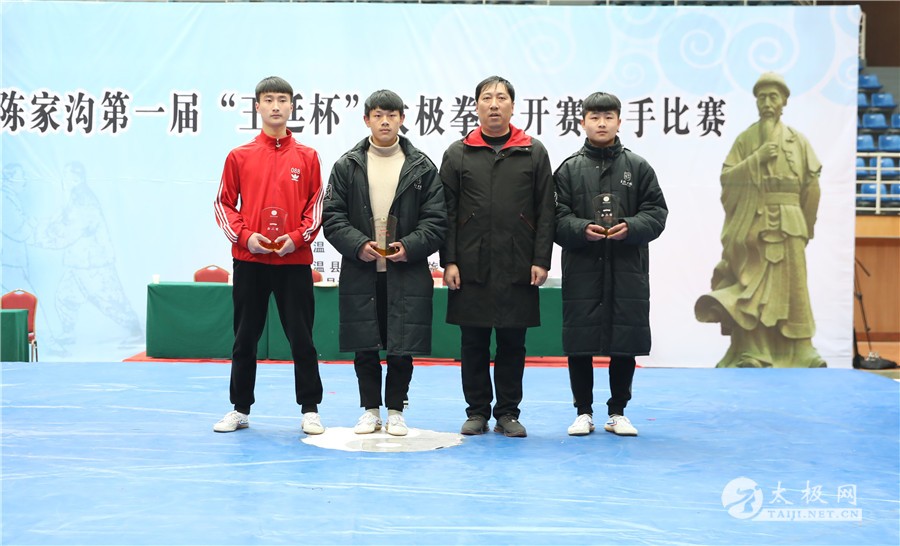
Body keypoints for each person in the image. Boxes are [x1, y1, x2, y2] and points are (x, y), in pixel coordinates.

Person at [323, 90, 447, 436]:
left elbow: (437, 220)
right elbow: (332, 217)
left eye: (392, 115)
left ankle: (395, 410)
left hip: (406, 270)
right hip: (362, 269)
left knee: (401, 345)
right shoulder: (347, 165)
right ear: (366, 120)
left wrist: (408, 246)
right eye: (378, 115)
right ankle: (370, 410)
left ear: (402, 119)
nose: (385, 122)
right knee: (365, 345)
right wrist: (357, 245)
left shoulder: (421, 166)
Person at [440, 76, 555, 438]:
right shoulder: (458, 153)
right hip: (470, 263)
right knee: (472, 343)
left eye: (501, 98)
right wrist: (449, 260)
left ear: (512, 106)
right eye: (487, 98)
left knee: (512, 343)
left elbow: (546, 211)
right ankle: (476, 411)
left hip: (518, 262)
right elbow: (446, 212)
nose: (494, 104)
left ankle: (508, 413)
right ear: (476, 106)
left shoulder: (532, 151)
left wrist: (541, 259)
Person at [213, 76, 326, 434]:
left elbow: (317, 207)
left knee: (302, 338)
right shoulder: (239, 156)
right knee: (244, 338)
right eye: (269, 100)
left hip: (294, 262)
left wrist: (297, 238)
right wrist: (246, 237)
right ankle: (240, 408)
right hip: (251, 263)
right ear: (258, 106)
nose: (276, 106)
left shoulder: (308, 157)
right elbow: (223, 204)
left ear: (291, 106)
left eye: (282, 100)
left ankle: (310, 409)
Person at [554, 92, 668, 437]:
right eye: (594, 117)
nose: (601, 124)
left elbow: (657, 213)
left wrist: (631, 227)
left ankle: (618, 411)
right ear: (582, 122)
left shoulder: (638, 167)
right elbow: (554, 218)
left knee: (625, 340)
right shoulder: (569, 169)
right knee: (580, 342)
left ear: (619, 122)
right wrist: (580, 229)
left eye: (608, 117)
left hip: (626, 268)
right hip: (583, 268)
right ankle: (583, 412)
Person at [694, 72, 825, 368]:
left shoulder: (798, 141)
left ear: (784, 101)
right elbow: (727, 178)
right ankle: (754, 350)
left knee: (794, 289)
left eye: (773, 97)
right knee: (752, 288)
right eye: (762, 97)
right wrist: (757, 159)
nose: (767, 102)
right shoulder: (746, 140)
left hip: (791, 223)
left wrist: (806, 225)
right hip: (754, 223)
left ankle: (801, 349)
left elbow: (811, 185)